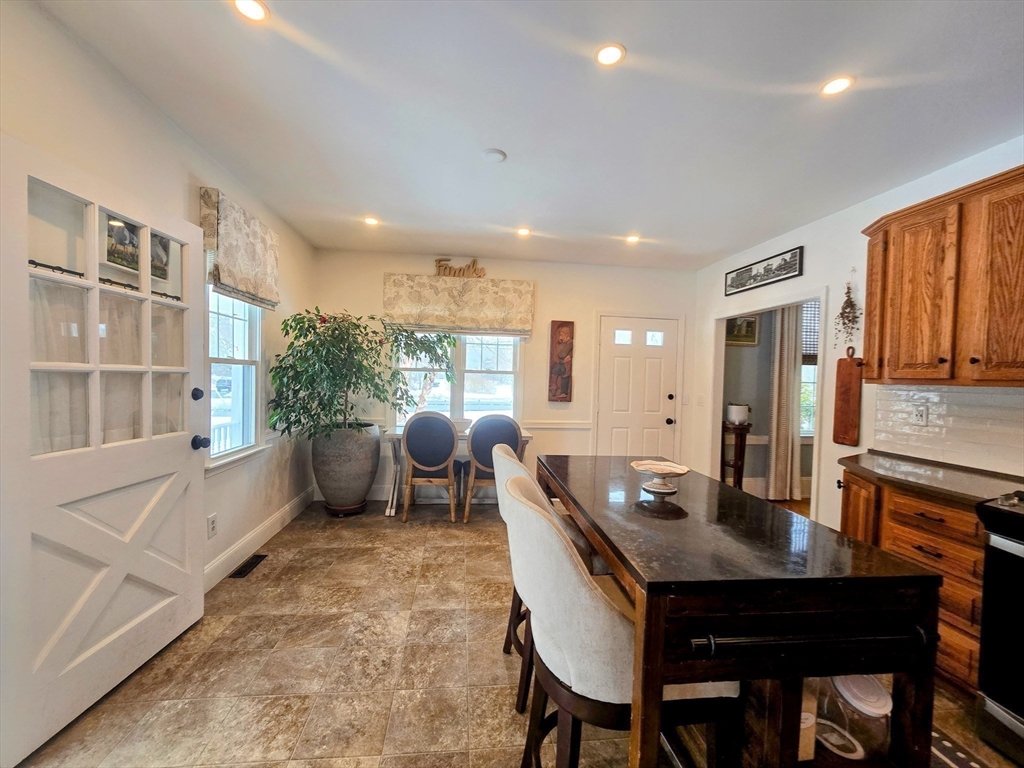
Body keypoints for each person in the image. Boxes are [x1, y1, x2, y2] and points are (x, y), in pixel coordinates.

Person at [549, 324, 573, 401]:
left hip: (565, 364)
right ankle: (554, 386)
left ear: (567, 336)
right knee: (554, 370)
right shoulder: (566, 343)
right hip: (561, 363)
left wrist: (569, 355)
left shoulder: (570, 343)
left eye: (562, 336)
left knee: (565, 376)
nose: (560, 338)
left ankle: (564, 392)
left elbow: (562, 354)